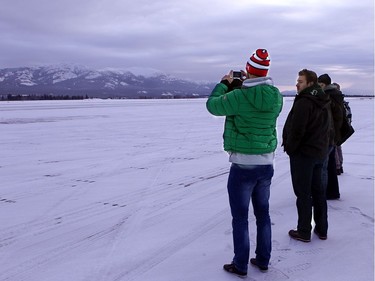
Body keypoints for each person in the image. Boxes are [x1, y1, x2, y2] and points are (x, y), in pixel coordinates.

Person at [206, 49, 283, 278]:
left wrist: (224, 84)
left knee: (240, 218)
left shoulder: (239, 97)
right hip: (266, 164)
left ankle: (240, 264)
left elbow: (213, 106)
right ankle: (263, 259)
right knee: (263, 214)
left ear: (248, 71)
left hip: (242, 165)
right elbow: (258, 102)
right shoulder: (277, 96)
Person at [282, 69, 331, 242]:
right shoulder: (323, 99)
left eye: (300, 81)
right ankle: (322, 229)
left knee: (303, 193)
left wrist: (290, 148)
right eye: (297, 81)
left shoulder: (305, 101)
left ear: (310, 84)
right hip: (319, 152)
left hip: (304, 154)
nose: (297, 84)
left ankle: (303, 230)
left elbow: (297, 129)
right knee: (318, 192)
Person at [318, 74, 345, 199]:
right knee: (331, 164)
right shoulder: (335, 95)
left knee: (327, 165)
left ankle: (329, 192)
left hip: (329, 135)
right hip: (333, 134)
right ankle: (333, 191)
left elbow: (335, 117)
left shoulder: (329, 96)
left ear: (324, 84)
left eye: (320, 85)